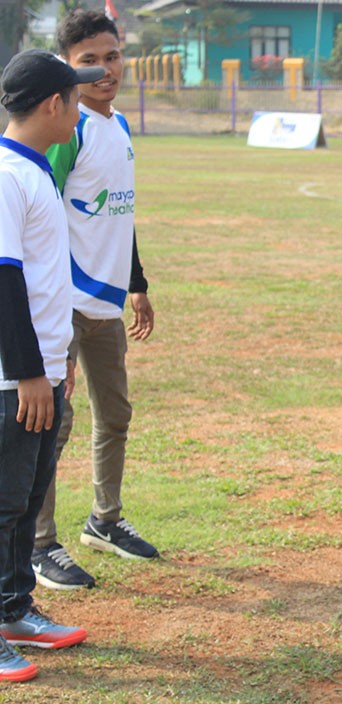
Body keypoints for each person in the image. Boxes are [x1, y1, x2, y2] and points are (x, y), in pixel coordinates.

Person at [31, 9, 159, 593]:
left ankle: (104, 521)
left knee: (115, 414)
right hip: (64, 303)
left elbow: (118, 213)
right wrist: (50, 305)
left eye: (112, 57)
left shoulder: (120, 125)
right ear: (67, 67)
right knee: (50, 425)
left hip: (106, 304)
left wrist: (137, 284)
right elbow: (41, 211)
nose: (104, 70)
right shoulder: (68, 129)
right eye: (88, 61)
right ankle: (39, 544)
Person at [0, 48, 100, 682]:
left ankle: (13, 609)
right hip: (15, 379)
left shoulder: (34, 171)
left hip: (42, 371)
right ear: (52, 104)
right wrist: (30, 373)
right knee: (4, 503)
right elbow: (5, 281)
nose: (80, 109)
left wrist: (56, 363)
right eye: (75, 98)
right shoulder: (7, 176)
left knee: (26, 497)